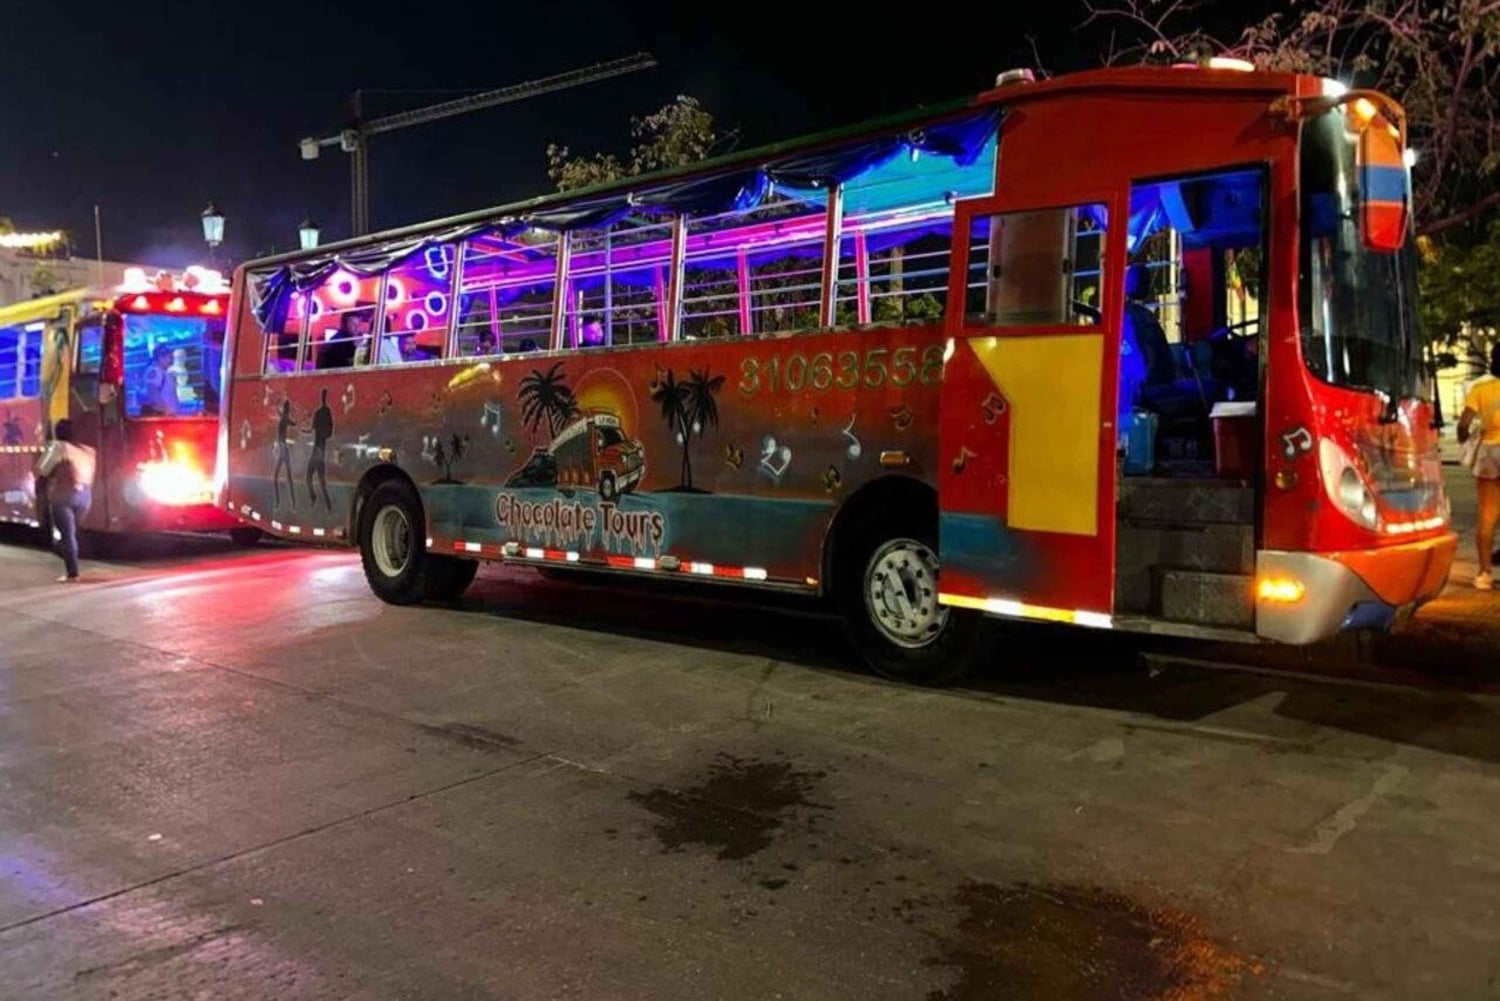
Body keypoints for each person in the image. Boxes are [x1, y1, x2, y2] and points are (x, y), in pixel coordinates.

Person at [1458, 342, 1500, 590]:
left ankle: (1484, 574)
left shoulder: (1480, 389)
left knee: (1487, 514)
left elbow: (1464, 424)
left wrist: (1464, 440)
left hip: (1489, 454)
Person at [33, 419, 96, 583]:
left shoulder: (58, 447)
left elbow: (41, 469)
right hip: (85, 497)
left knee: (67, 535)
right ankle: (71, 557)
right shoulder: (87, 451)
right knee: (71, 534)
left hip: (63, 495)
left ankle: (72, 573)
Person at [141, 345, 180, 415]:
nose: (171, 361)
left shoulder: (163, 372)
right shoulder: (155, 371)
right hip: (162, 415)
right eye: (170, 357)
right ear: (161, 358)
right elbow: (153, 393)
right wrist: (165, 410)